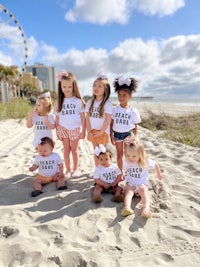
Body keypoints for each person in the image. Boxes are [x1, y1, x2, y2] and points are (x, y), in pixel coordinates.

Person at [121, 136, 163, 218]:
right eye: (128, 155)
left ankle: (145, 209)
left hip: (141, 184)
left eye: (134, 156)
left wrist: (159, 175)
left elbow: (155, 165)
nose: (130, 158)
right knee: (128, 193)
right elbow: (122, 169)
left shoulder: (144, 161)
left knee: (144, 192)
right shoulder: (125, 161)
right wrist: (123, 173)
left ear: (140, 155)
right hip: (130, 184)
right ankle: (126, 208)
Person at [54, 70, 86, 178]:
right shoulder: (59, 101)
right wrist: (57, 131)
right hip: (63, 128)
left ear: (74, 86)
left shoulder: (77, 101)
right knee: (66, 150)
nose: (67, 89)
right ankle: (67, 170)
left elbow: (83, 117)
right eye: (64, 87)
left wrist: (84, 130)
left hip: (76, 128)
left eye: (69, 87)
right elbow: (57, 118)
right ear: (60, 87)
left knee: (75, 150)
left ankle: (75, 169)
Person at [110, 76, 141, 171]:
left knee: (129, 154)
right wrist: (111, 134)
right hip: (117, 134)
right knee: (119, 154)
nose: (121, 97)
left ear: (130, 96)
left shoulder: (133, 111)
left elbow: (135, 125)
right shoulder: (115, 109)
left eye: (124, 95)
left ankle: (128, 171)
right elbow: (111, 122)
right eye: (119, 95)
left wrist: (135, 136)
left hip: (128, 135)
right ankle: (120, 172)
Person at [85, 72, 112, 167]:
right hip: (93, 131)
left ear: (105, 89)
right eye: (95, 85)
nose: (96, 88)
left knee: (102, 152)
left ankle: (104, 168)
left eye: (100, 86)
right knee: (96, 152)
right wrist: (88, 131)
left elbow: (107, 120)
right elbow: (87, 118)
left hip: (103, 132)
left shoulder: (107, 103)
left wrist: (101, 132)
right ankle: (97, 169)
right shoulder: (89, 102)